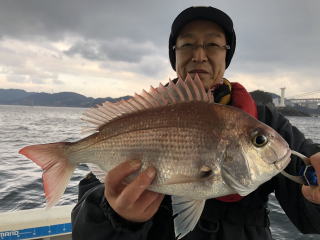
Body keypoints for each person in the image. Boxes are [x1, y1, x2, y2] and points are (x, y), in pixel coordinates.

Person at [71, 6, 320, 240]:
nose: (199, 55)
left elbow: (309, 219)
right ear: (174, 54)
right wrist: (116, 216)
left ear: (227, 53)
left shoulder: (266, 122)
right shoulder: (143, 117)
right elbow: (84, 231)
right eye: (187, 44)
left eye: (212, 44)